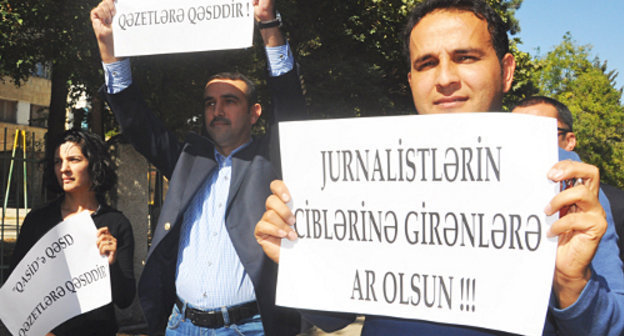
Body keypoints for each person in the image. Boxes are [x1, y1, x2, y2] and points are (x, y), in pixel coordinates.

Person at [254, 0, 624, 335]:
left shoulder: (563, 178)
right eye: (426, 63)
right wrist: (298, 256)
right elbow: (333, 319)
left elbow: (610, 327)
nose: (445, 78)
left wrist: (574, 285)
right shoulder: (367, 171)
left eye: (466, 57)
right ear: (412, 81)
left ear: (506, 70)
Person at [90, 0, 305, 334]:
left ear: (255, 112)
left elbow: (290, 105)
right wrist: (109, 48)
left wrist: (268, 26)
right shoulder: (188, 159)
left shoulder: (269, 159)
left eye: (229, 101)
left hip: (248, 328)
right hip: (180, 325)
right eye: (210, 103)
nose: (217, 110)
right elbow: (137, 123)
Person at [9, 129, 135, 336]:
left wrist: (112, 265)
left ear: (94, 164)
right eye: (58, 161)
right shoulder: (38, 221)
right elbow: (17, 288)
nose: (64, 169)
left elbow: (125, 299)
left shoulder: (116, 223)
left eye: (74, 160)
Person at [513, 96, 624, 264]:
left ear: (569, 141)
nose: (526, 145)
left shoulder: (617, 206)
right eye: (514, 136)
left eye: (540, 133)